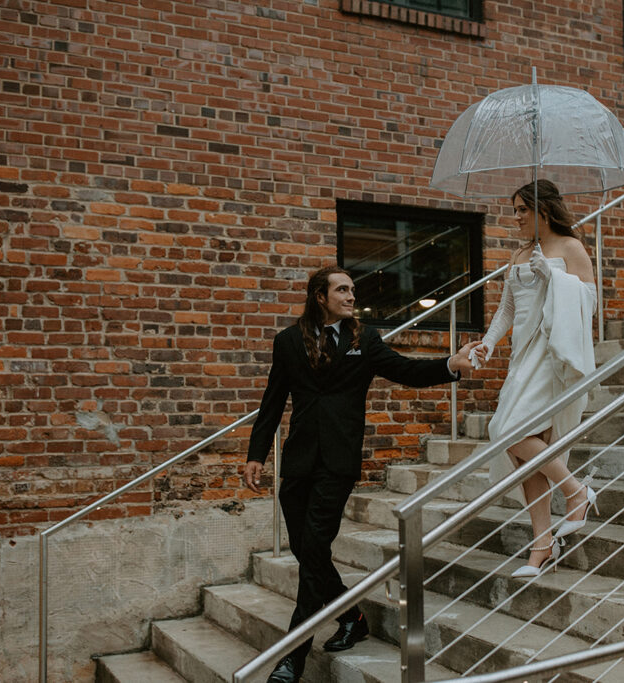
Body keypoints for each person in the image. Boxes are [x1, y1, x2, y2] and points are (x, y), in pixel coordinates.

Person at [244, 265, 481, 683]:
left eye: (353, 290)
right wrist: (256, 454)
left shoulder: (364, 340)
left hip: (337, 462)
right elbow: (272, 400)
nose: (352, 296)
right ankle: (353, 615)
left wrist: (450, 365)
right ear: (321, 296)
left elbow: (406, 371)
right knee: (308, 552)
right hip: (298, 461)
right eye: (342, 290)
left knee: (314, 546)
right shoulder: (287, 342)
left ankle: (291, 659)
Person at [471, 179, 598, 579]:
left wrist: (555, 278)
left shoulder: (570, 248)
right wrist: (489, 344)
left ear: (543, 210)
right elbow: (507, 309)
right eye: (515, 210)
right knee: (525, 449)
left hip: (551, 354)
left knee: (509, 431)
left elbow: (591, 301)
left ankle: (576, 491)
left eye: (522, 210)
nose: (516, 218)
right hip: (521, 355)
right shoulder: (519, 253)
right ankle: (541, 543)